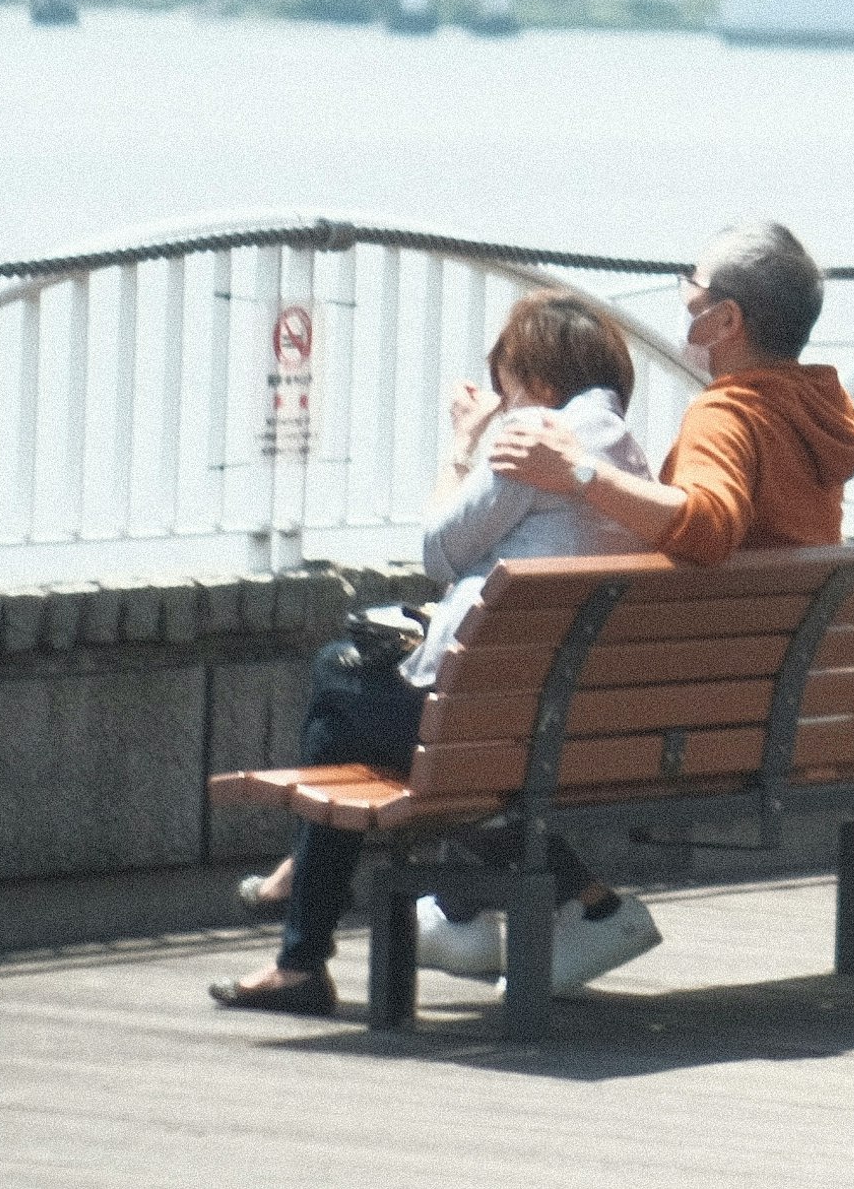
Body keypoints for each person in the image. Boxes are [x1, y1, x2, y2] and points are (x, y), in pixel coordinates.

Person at [210, 294, 659, 1014]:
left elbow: (439, 549)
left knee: (334, 685)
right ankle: (309, 928)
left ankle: (303, 945)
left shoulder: (535, 440)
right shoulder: (625, 454)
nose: (505, 396)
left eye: (507, 377)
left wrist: (462, 444)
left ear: (537, 380)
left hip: (491, 724)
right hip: (567, 719)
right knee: (359, 719)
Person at [491, 219, 854, 558]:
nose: (685, 295)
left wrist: (578, 470)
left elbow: (708, 528)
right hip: (798, 629)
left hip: (722, 630)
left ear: (726, 320)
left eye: (693, 284)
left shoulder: (727, 414)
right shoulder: (820, 407)